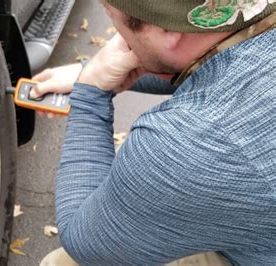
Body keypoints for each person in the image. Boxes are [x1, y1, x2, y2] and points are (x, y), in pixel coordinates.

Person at [33, 0, 276, 265]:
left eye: (110, 14)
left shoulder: (189, 145)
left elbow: (85, 243)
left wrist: (90, 94)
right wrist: (96, 71)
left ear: (168, 31)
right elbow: (215, 57)